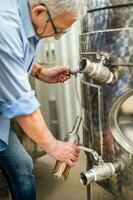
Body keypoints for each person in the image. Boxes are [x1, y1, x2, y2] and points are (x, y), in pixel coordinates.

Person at [0, 0, 86, 199]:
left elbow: (14, 56)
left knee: (22, 165)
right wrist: (54, 147)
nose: (57, 38)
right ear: (40, 11)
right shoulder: (4, 24)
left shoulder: (26, 16)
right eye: (58, 31)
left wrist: (40, 71)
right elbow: (23, 107)